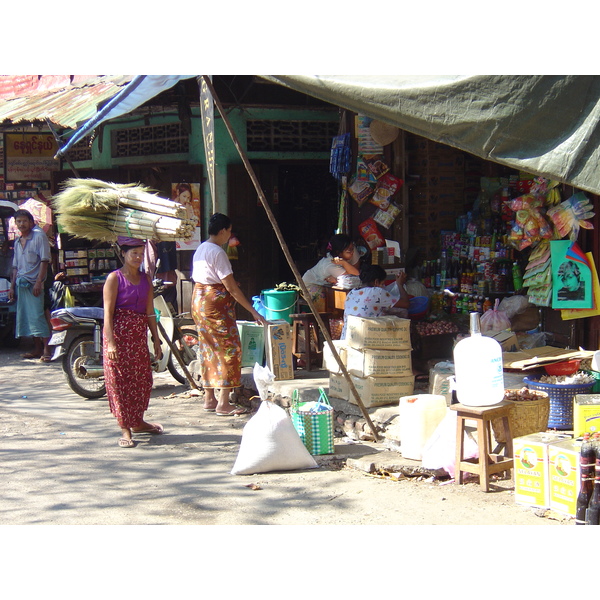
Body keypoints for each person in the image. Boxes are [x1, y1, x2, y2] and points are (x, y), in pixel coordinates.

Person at [191, 213, 266, 415]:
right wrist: (254, 312)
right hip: (215, 305)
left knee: (207, 347)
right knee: (228, 348)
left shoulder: (200, 248)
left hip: (199, 300)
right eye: (229, 231)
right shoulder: (217, 252)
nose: (230, 235)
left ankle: (209, 397)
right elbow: (231, 288)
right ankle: (223, 403)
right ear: (223, 231)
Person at [103, 236, 164, 448]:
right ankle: (125, 429)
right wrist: (110, 343)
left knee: (141, 379)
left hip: (138, 336)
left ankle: (138, 421)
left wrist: (156, 340)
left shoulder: (146, 278)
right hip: (118, 336)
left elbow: (149, 313)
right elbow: (108, 315)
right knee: (119, 382)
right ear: (124, 254)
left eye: (140, 254)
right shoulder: (114, 278)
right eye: (134, 254)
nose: (138, 257)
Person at [8, 209, 51, 361]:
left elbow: (45, 260)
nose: (22, 224)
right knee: (28, 318)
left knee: (38, 316)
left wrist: (39, 282)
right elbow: (15, 267)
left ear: (31, 223)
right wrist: (12, 287)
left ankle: (46, 349)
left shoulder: (39, 237)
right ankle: (37, 348)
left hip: (35, 284)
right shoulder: (17, 242)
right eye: (18, 221)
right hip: (21, 284)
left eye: (24, 221)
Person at [341, 264, 409, 339]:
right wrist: (400, 284)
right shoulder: (377, 292)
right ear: (376, 282)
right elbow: (406, 304)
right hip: (363, 340)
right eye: (382, 284)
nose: (384, 287)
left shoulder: (351, 293)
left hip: (346, 338)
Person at [302, 233, 361, 310]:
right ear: (338, 252)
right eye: (349, 251)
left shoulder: (347, 252)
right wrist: (344, 262)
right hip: (310, 284)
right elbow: (354, 275)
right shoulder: (330, 265)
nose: (352, 252)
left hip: (324, 284)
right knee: (326, 302)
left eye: (352, 249)